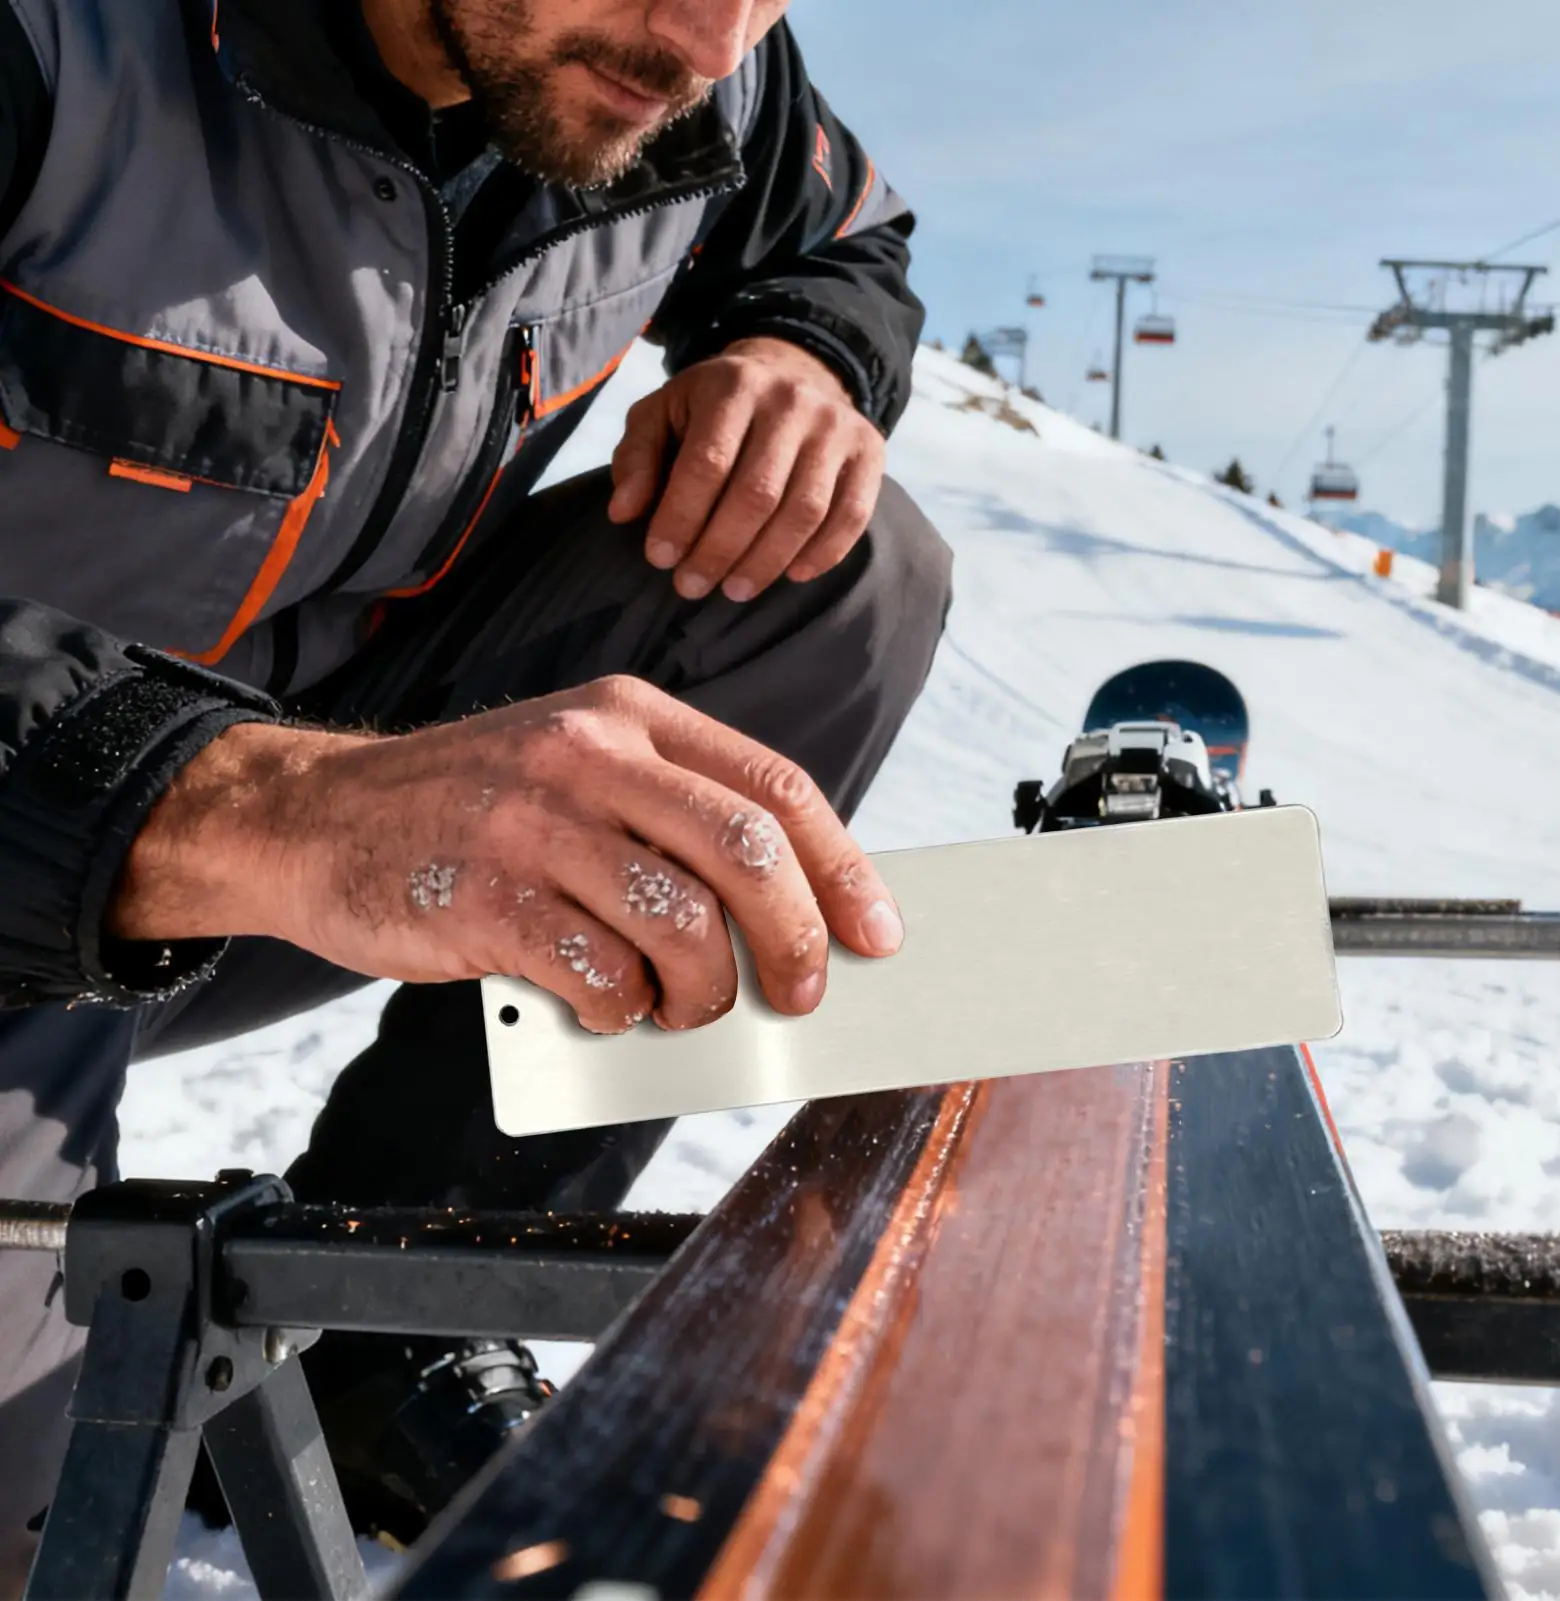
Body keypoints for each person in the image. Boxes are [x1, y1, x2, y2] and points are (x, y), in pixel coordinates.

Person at [0, 0, 952, 1569]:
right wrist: (251, 806)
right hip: (58, 854)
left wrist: (802, 352)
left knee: (829, 563)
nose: (711, 45)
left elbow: (842, 235)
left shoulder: (682, 62)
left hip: (325, 846)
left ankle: (389, 1313)